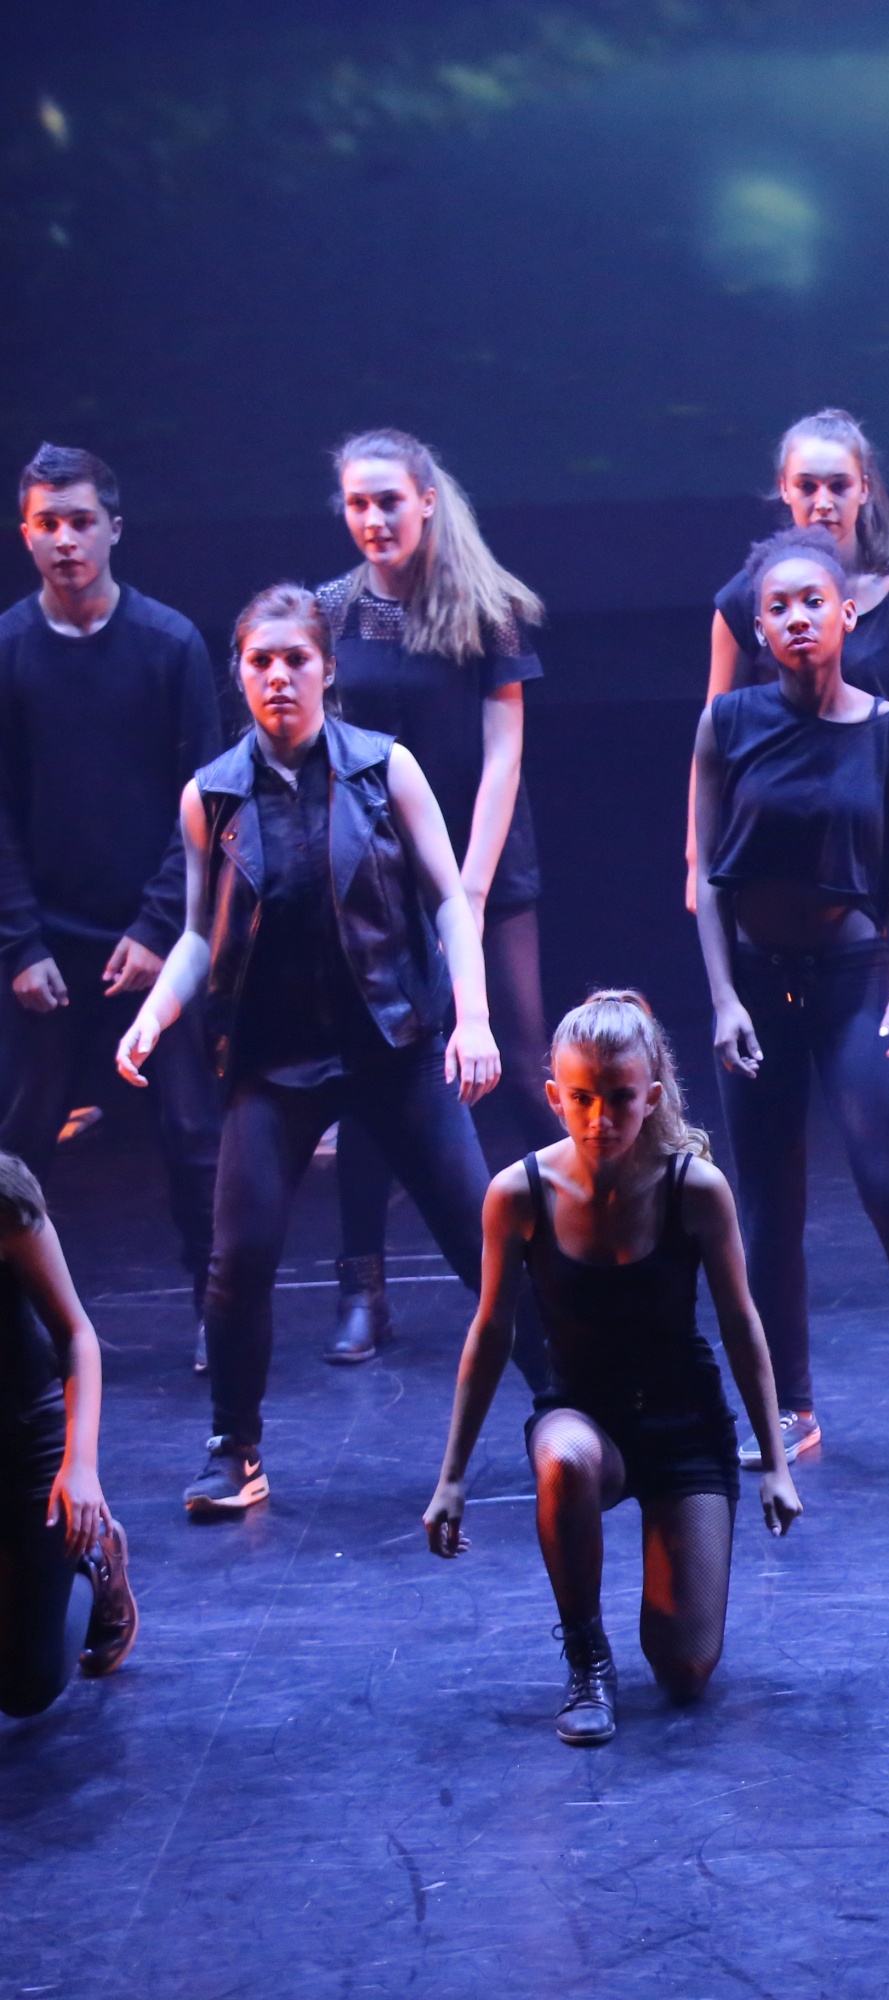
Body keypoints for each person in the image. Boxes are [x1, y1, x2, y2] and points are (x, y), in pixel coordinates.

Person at [115, 584, 531, 1521]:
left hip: (394, 1042)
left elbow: (450, 901)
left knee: (485, 1242)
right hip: (275, 1061)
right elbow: (197, 932)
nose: (278, 677)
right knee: (239, 1260)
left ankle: (567, 1403)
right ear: (238, 673)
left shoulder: (387, 768)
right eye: (259, 661)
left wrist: (471, 1017)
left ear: (326, 669)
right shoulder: (212, 796)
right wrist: (156, 1012)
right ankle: (234, 1451)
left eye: (294, 659)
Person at [691, 529, 889, 1474]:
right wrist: (722, 999)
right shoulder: (727, 725)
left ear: (846, 616)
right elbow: (707, 876)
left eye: (813, 603)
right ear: (759, 628)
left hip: (852, 978)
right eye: (778, 607)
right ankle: (788, 1405)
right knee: (768, 1208)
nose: (797, 618)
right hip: (756, 984)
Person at [422, 992, 800, 1747]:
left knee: (685, 1673)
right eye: (583, 1099)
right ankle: (587, 1658)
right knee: (564, 1458)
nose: (601, 1119)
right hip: (583, 1416)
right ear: (554, 1096)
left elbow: (741, 1324)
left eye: (621, 1099)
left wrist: (777, 1464)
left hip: (684, 1429)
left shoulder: (694, 1188)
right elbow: (490, 1332)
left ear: (650, 1096)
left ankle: (665, 1596)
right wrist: (451, 1477)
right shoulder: (518, 1193)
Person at [700, 412, 889, 1299]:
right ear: (783, 492)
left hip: (888, 849)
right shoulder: (749, 597)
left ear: (866, 489)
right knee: (785, 1065)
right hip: (790, 859)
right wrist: (704, 868)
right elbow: (716, 738)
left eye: (838, 484)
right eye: (807, 485)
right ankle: (777, 1260)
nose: (823, 500)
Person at [317, 429, 557, 1363]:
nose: (374, 518)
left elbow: (504, 757)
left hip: (485, 863)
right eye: (358, 503)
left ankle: (591, 1247)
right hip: (376, 878)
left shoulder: (488, 608)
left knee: (524, 1061)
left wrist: (471, 886)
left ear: (426, 499)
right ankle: (362, 1287)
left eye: (389, 500)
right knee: (371, 1074)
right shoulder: (333, 611)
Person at [0, 445, 221, 1365]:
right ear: (25, 534)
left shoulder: (169, 644)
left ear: (113, 529)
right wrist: (20, 942)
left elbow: (205, 800)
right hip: (48, 938)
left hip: (156, 938)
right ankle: (16, 1317)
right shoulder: (9, 650)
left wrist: (157, 927)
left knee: (191, 1131)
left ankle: (217, 1308)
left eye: (81, 521)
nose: (65, 540)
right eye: (47, 523)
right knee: (22, 1139)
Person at [0, 1152, 135, 1718]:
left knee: (23, 1687)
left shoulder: (4, 1199)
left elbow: (76, 1333)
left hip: (26, 1444)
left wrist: (79, 1466)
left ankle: (95, 1564)